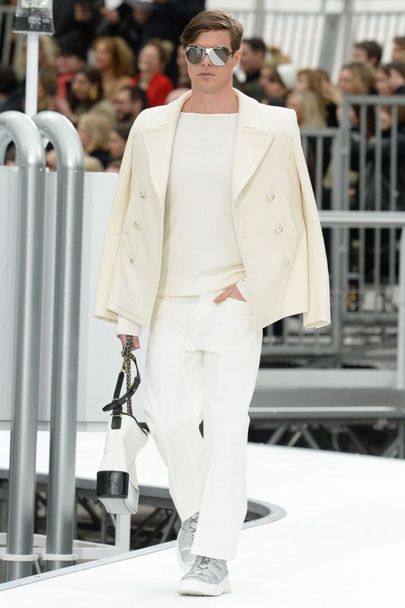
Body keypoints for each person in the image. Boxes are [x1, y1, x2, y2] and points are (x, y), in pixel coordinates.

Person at [93, 9, 330, 597]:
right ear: (185, 57)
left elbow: (297, 213)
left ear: (238, 57)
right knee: (170, 419)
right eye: (197, 53)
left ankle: (212, 555)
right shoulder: (152, 125)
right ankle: (199, 513)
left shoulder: (274, 125)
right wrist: (127, 311)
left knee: (226, 424)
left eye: (219, 52)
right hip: (168, 298)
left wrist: (254, 285)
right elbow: (129, 221)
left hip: (233, 300)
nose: (207, 63)